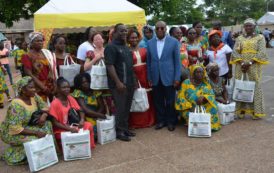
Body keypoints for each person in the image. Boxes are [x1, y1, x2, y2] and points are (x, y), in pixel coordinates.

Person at [0, 76, 53, 165]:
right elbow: (15, 129)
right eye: (31, 87)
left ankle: (47, 153)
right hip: (11, 132)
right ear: (23, 90)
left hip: (26, 126)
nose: (34, 90)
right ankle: (10, 154)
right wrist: (36, 133)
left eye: (34, 87)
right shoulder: (16, 105)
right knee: (34, 140)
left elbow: (45, 106)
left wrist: (43, 115)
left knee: (47, 125)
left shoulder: (33, 96)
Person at [147, 21, 181, 131]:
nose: (160, 30)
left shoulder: (174, 42)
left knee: (170, 101)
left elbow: (177, 62)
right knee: (158, 100)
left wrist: (177, 78)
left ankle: (171, 121)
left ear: (166, 29)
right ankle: (161, 121)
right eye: (157, 28)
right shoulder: (150, 43)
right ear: (155, 30)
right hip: (155, 76)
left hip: (169, 77)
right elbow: (149, 62)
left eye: (162, 28)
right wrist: (149, 77)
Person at [231, 18, 268, 119]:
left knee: (255, 86)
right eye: (246, 25)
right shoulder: (239, 38)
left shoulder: (260, 37)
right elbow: (235, 51)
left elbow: (261, 52)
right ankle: (241, 111)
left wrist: (250, 62)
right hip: (240, 66)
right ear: (244, 27)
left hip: (254, 65)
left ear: (254, 27)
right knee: (240, 86)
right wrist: (242, 62)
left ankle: (256, 111)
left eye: (250, 25)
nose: (248, 27)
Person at [105, 23, 136, 141]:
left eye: (125, 31)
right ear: (115, 33)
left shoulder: (125, 46)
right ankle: (119, 131)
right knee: (120, 108)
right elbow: (110, 65)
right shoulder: (111, 47)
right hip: (119, 84)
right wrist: (118, 82)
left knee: (127, 107)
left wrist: (133, 80)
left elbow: (129, 65)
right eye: (121, 31)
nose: (124, 33)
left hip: (129, 82)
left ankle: (125, 128)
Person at [49, 77, 96, 149]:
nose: (67, 89)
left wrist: (82, 120)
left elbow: (80, 110)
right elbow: (55, 123)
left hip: (73, 125)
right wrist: (69, 129)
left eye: (68, 87)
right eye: (64, 87)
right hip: (62, 129)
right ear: (58, 89)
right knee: (74, 134)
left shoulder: (70, 98)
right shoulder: (54, 103)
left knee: (88, 125)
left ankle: (88, 148)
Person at [175, 65, 221, 131]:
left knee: (213, 107)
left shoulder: (206, 84)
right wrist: (190, 106)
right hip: (189, 108)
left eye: (201, 72)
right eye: (198, 72)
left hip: (203, 107)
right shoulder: (186, 83)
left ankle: (210, 127)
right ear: (193, 73)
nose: (200, 74)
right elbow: (180, 97)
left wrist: (204, 97)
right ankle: (197, 127)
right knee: (192, 117)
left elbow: (212, 96)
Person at [127, 29, 156, 128]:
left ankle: (149, 120)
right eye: (132, 38)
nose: (134, 39)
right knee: (137, 97)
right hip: (135, 76)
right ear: (128, 39)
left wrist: (150, 76)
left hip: (145, 74)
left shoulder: (144, 49)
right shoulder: (127, 51)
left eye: (136, 37)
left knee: (148, 96)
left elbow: (150, 63)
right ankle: (137, 122)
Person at [22, 32, 58, 102]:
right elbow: (29, 74)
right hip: (38, 88)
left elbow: (52, 70)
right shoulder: (27, 56)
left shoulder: (46, 53)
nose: (40, 42)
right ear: (31, 43)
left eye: (41, 41)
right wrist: (44, 88)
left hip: (51, 87)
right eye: (37, 41)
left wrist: (55, 85)